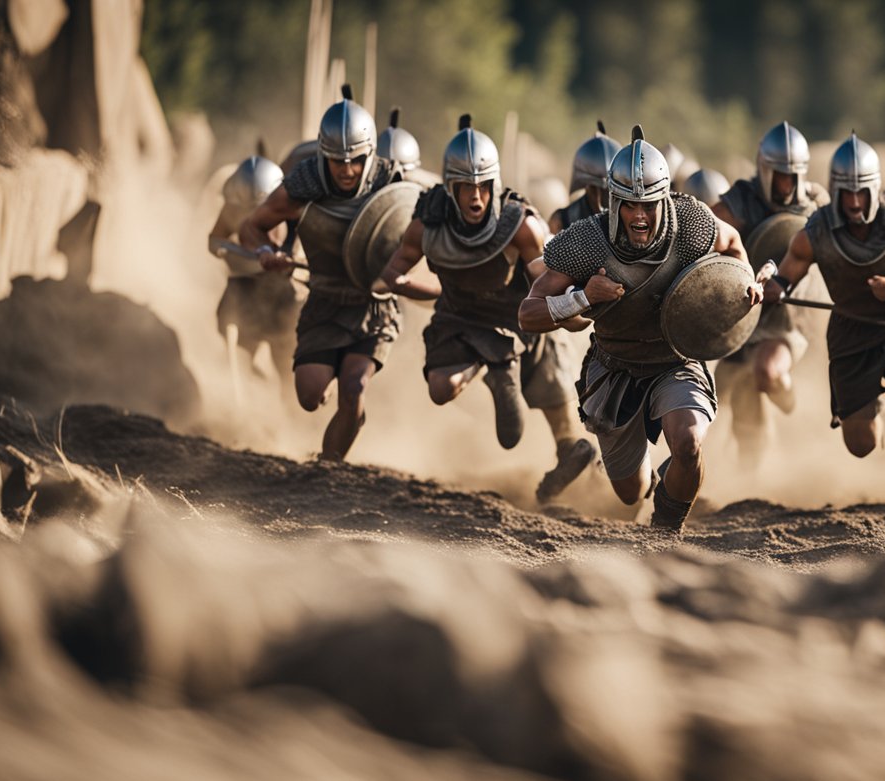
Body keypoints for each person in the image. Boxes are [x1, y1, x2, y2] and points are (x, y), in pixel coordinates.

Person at [520, 126, 761, 531]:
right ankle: (647, 482)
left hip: (675, 360)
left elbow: (733, 243)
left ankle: (666, 528)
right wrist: (583, 298)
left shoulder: (692, 222)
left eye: (649, 204)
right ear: (614, 201)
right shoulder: (585, 241)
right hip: (615, 368)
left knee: (687, 444)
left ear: (664, 199)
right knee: (630, 491)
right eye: (630, 205)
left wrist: (744, 281)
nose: (639, 216)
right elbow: (528, 313)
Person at [378, 115, 596, 503]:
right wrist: (404, 286)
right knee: (440, 389)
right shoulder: (427, 225)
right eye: (465, 188)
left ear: (493, 185)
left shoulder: (521, 226)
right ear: (450, 188)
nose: (475, 197)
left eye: (482, 186)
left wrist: (575, 309)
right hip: (457, 318)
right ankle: (490, 364)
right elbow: (392, 272)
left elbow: (549, 280)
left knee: (553, 387)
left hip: (519, 317)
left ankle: (568, 455)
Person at [241, 85, 440, 462]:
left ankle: (329, 467)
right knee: (309, 396)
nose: (347, 170)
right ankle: (335, 399)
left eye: (355, 160)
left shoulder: (393, 183)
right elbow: (253, 226)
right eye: (337, 161)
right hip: (323, 302)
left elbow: (430, 235)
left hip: (374, 308)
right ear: (324, 156)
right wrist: (267, 251)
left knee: (353, 388)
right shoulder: (303, 185)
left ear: (369, 154)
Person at [770, 132, 885, 515]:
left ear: (874, 189)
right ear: (835, 191)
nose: (853, 202)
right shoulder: (816, 232)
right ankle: (874, 406)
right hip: (852, 332)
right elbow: (784, 278)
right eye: (846, 193)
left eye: (860, 193)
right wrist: (766, 290)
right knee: (861, 444)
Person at [713, 122, 829, 455]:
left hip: (792, 316)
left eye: (792, 175)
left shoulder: (816, 203)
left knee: (765, 371)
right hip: (745, 312)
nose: (786, 184)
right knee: (734, 397)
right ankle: (750, 481)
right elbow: (709, 226)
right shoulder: (743, 199)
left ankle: (797, 416)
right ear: (764, 170)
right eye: (779, 174)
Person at [207, 150, 300, 386]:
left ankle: (296, 419)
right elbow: (215, 241)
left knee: (289, 372)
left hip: (283, 300)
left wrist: (288, 258)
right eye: (246, 211)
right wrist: (239, 254)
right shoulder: (232, 209)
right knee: (238, 366)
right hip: (243, 293)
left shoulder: (292, 213)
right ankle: (246, 414)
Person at [548, 122, 621, 234]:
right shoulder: (561, 220)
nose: (602, 194)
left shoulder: (628, 215)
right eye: (595, 188)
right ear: (587, 185)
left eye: (607, 190)